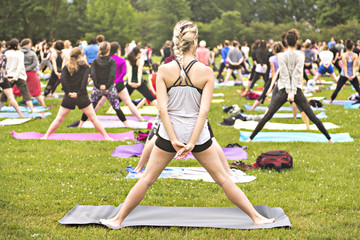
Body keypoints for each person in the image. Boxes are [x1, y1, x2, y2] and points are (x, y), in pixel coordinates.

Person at [100, 20, 275, 229]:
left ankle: (117, 220)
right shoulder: (206, 71)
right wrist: (192, 142)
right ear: (196, 42)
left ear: (175, 42)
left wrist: (173, 139)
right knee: (223, 179)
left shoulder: (164, 70)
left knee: (146, 179)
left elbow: (162, 110)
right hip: (197, 134)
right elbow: (203, 112)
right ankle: (256, 217)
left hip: (168, 134)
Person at [245, 29, 333, 143]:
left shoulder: (282, 56)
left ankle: (250, 138)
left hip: (285, 89)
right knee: (312, 116)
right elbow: (294, 75)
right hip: (293, 90)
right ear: (296, 41)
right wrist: (291, 92)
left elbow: (288, 75)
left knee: (268, 116)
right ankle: (329, 138)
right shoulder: (299, 56)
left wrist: (290, 92)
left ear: (286, 42)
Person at [41, 47, 112, 140]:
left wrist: (68, 92)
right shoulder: (84, 67)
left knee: (59, 119)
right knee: (93, 119)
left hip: (70, 96)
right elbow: (84, 83)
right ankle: (106, 137)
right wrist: (78, 94)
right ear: (79, 55)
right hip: (81, 96)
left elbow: (63, 80)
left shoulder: (67, 66)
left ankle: (46, 136)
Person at [78, 42, 130, 128]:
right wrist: (106, 85)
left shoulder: (95, 61)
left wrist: (99, 86)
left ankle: (80, 124)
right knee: (116, 107)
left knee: (90, 106)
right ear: (108, 50)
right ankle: (126, 124)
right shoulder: (112, 61)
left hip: (97, 88)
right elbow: (112, 75)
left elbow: (93, 74)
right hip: (110, 88)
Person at [0, 38, 35, 112]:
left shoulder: (6, 53)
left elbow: (4, 66)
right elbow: (20, 66)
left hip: (9, 76)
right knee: (26, 94)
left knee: (4, 95)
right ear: (17, 45)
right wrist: (15, 77)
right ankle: (32, 110)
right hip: (19, 76)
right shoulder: (20, 53)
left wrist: (8, 76)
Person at [13, 38, 46, 107]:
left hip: (20, 73)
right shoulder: (32, 53)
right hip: (31, 73)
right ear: (28, 44)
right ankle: (43, 105)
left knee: (16, 89)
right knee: (36, 90)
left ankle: (11, 105)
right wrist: (28, 69)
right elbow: (35, 63)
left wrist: (22, 69)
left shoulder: (17, 53)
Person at [329, 39, 360, 104]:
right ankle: (330, 101)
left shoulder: (345, 55)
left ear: (346, 47)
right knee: (357, 88)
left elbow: (349, 66)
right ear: (353, 47)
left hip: (346, 74)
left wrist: (349, 75)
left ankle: (330, 101)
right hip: (347, 74)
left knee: (338, 88)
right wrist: (351, 75)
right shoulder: (354, 55)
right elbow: (351, 66)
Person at [0, 53, 25, 117]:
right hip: (3, 77)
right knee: (11, 97)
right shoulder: (3, 56)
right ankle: (20, 114)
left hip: (3, 77)